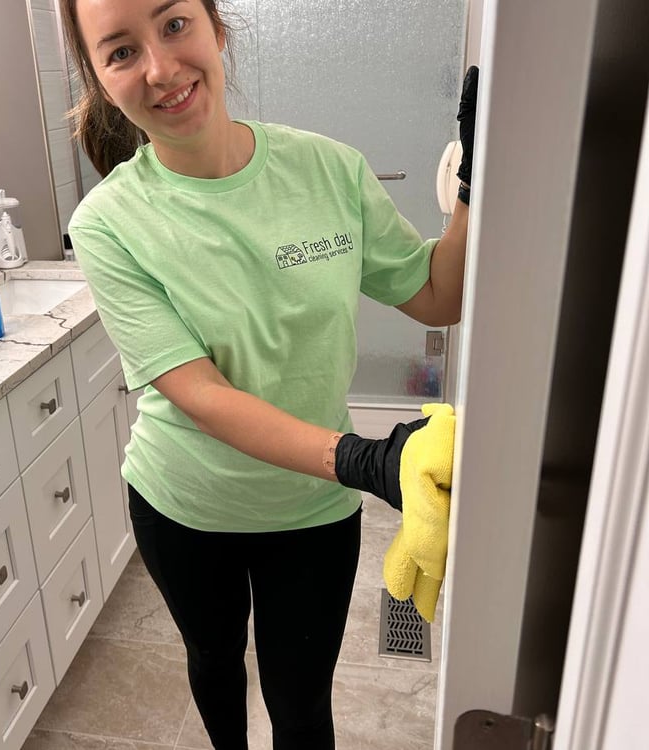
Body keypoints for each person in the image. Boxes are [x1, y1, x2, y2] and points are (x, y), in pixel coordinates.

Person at [60, 0, 476, 747]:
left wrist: (477, 186)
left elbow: (438, 295)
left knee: (302, 706)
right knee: (213, 660)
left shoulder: (329, 169)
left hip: (312, 514)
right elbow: (202, 397)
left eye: (174, 25)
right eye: (120, 52)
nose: (159, 68)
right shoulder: (108, 224)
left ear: (218, 27)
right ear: (98, 78)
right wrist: (364, 457)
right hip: (184, 505)